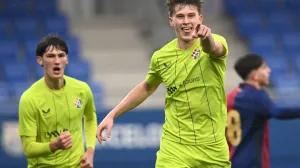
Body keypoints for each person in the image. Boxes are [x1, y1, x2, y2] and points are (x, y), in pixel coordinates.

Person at [96, 0, 231, 167]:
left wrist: (206, 38)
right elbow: (147, 86)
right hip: (175, 147)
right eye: (180, 16)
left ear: (200, 19)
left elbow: (214, 48)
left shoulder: (216, 41)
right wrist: (112, 114)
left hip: (213, 147)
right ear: (171, 20)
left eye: (191, 16)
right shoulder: (161, 56)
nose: (186, 21)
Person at [18, 34, 97, 168]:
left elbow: (90, 118)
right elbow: (28, 148)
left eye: (61, 55)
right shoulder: (29, 99)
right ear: (40, 60)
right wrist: (54, 145)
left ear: (67, 59)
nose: (56, 61)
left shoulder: (82, 89)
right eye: (50, 56)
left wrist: (89, 152)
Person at [226, 53, 300, 168]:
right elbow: (278, 112)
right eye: (264, 67)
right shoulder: (256, 96)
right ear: (254, 74)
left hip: (232, 160)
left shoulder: (231, 97)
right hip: (251, 163)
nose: (268, 70)